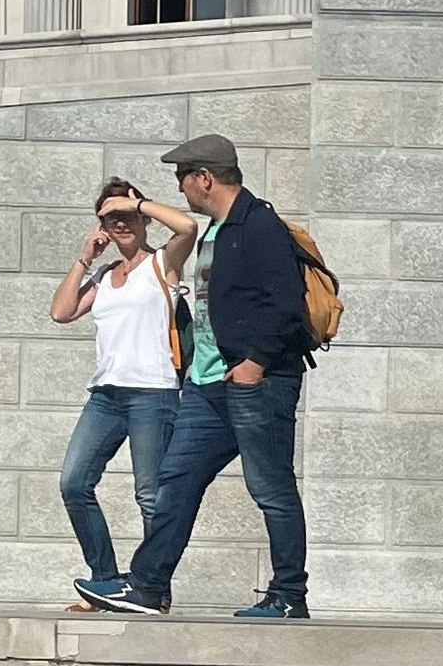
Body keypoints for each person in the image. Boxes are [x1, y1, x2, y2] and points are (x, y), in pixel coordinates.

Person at [76, 133, 313, 620]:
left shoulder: (259, 225)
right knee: (175, 481)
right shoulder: (218, 230)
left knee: (270, 488)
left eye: (183, 178)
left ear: (204, 177)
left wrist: (254, 364)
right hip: (207, 388)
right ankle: (147, 587)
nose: (182, 188)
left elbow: (285, 303)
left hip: (256, 384)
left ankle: (289, 594)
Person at [48, 179, 192, 609]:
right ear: (104, 227)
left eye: (128, 216)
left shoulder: (162, 264)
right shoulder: (106, 276)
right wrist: (84, 257)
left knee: (150, 495)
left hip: (154, 393)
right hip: (106, 396)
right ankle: (104, 581)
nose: (122, 223)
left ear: (142, 217)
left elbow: (186, 226)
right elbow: (61, 312)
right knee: (74, 482)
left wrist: (138, 202)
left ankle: (153, 590)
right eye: (112, 219)